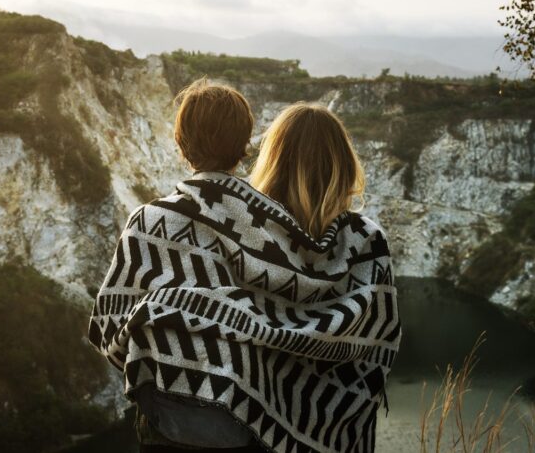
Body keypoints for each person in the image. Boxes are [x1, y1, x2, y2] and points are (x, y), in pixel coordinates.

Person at [89, 86, 400, 453]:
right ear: (245, 146)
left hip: (173, 421)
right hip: (265, 427)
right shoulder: (345, 240)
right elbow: (374, 346)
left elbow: (110, 329)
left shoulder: (227, 229)